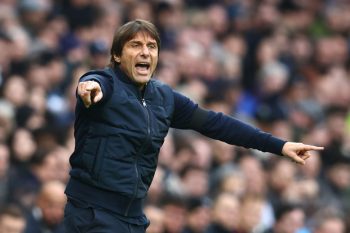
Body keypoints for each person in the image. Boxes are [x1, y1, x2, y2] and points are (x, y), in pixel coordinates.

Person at [63, 19, 324, 233]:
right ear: (117, 55)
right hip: (92, 213)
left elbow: (217, 124)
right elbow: (94, 82)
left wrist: (280, 145)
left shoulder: (163, 97)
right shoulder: (105, 84)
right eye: (135, 45)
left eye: (152, 47)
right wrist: (89, 86)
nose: (145, 52)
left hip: (132, 217)